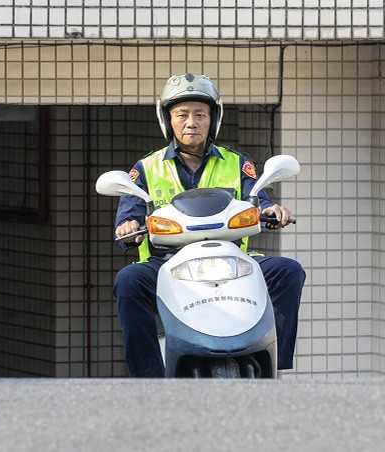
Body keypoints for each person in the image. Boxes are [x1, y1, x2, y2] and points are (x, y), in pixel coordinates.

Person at [113, 73, 306, 377]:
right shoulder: (146, 169)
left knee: (288, 271)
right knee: (128, 281)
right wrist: (128, 227)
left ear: (213, 119)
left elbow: (259, 198)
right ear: (168, 120)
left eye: (200, 114)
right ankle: (146, 377)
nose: (192, 122)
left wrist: (272, 210)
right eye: (182, 114)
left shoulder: (236, 162)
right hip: (166, 263)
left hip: (231, 262)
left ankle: (279, 367)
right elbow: (129, 215)